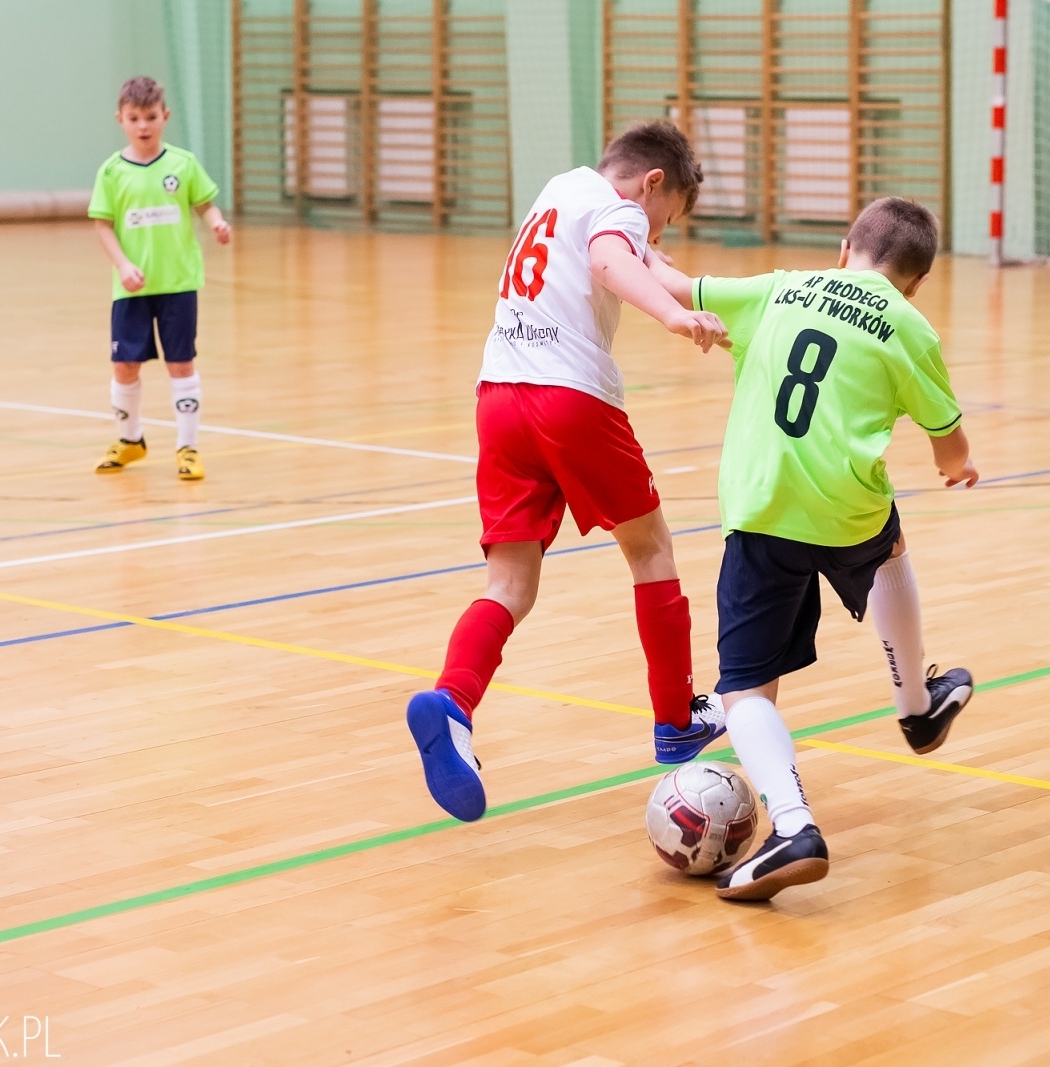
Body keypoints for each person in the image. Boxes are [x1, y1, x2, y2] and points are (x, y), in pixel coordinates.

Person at [651, 197, 978, 901]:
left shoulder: (780, 287)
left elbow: (676, 289)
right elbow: (947, 435)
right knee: (887, 544)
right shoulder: (908, 324)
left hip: (765, 506)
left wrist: (636, 250)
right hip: (849, 509)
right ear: (913, 281)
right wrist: (957, 466)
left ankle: (793, 824)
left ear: (843, 247)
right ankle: (916, 707)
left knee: (743, 688)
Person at [405, 122, 731, 823]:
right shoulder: (614, 215)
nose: (655, 228)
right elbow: (617, 257)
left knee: (510, 582)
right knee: (652, 550)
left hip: (498, 396)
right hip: (570, 398)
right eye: (663, 213)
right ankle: (676, 719)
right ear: (650, 185)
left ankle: (452, 704)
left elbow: (646, 256)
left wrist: (732, 298)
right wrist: (675, 316)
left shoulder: (561, 190)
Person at [88, 76, 230, 480]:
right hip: (132, 287)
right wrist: (123, 265)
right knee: (125, 365)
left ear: (165, 116)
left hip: (178, 283)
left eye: (151, 117)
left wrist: (218, 223)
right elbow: (102, 225)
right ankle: (131, 440)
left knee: (181, 364)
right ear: (121, 119)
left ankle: (188, 449)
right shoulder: (112, 172)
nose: (144, 126)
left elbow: (205, 206)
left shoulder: (182, 164)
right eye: (134, 118)